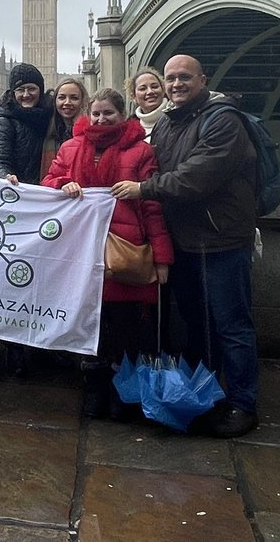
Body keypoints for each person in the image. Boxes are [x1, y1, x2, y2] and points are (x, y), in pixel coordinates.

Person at [114, 54, 260, 438]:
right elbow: (152, 164)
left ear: (202, 80)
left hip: (221, 239)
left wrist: (143, 189)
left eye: (184, 78)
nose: (176, 84)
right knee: (198, 325)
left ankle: (244, 404)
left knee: (231, 325)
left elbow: (195, 178)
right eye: (171, 79)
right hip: (186, 241)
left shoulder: (223, 120)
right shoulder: (169, 122)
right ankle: (206, 396)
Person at [43, 88, 174, 418]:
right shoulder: (71, 147)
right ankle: (94, 388)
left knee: (126, 326)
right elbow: (47, 184)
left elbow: (153, 207)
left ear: (122, 113)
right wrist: (63, 186)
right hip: (82, 253)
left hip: (124, 253)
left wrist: (161, 259)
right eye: (96, 113)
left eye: (109, 114)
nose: (101, 119)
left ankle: (122, 393)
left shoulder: (141, 151)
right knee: (90, 326)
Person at [0, 62, 52, 376]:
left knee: (44, 278)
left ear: (40, 91)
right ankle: (14, 349)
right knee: (14, 279)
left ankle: (40, 345)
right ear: (12, 92)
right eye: (21, 89)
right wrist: (5, 177)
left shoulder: (51, 117)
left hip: (47, 207)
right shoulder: (4, 119)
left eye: (32, 89)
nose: (27, 94)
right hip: (17, 208)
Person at [43, 77, 89, 177]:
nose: (67, 102)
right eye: (62, 97)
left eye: (74, 98)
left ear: (83, 101)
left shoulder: (90, 132)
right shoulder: (44, 127)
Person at [128, 66, 168, 142]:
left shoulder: (178, 119)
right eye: (143, 89)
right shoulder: (128, 130)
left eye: (154, 86)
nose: (150, 92)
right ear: (133, 96)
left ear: (163, 90)